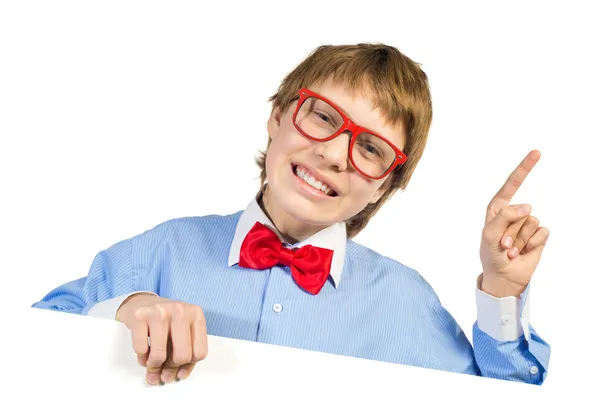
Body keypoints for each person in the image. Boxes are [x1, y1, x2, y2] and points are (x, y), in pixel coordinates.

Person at [31, 43, 551, 386]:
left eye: (370, 149)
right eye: (322, 117)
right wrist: (124, 309)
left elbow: (504, 394)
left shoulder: (406, 303)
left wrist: (502, 290)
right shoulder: (165, 248)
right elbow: (31, 341)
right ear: (278, 116)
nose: (333, 154)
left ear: (384, 188)